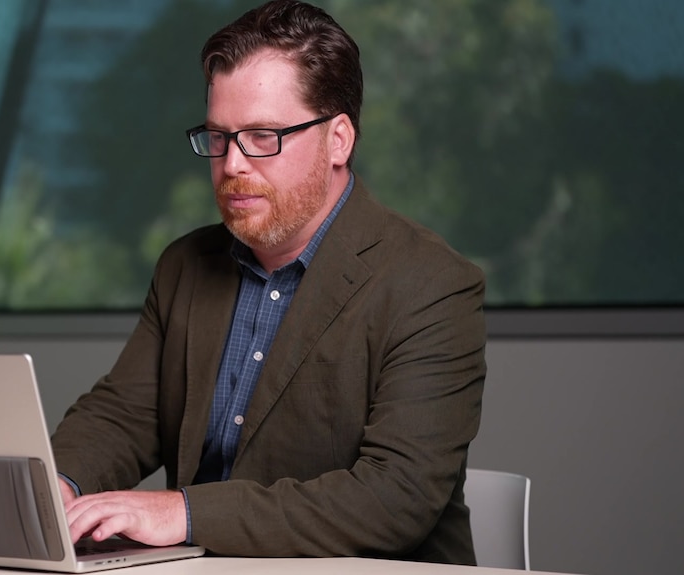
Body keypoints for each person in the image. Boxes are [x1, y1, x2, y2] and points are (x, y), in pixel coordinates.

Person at [51, 0, 486, 564]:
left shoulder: (431, 284)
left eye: (261, 136)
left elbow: (394, 497)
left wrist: (180, 512)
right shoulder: (185, 265)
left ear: (339, 140)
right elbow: (123, 415)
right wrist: (56, 489)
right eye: (218, 137)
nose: (232, 164)